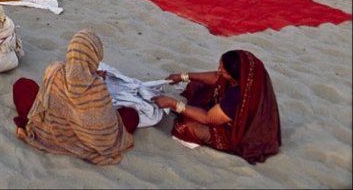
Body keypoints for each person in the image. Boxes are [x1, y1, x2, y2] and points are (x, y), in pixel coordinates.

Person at [15, 29, 138, 165]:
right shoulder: (97, 87)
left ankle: (26, 126)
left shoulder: (54, 69)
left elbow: (44, 98)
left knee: (22, 85)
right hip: (81, 138)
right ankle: (73, 141)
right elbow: (105, 132)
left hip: (50, 129)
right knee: (131, 115)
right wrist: (95, 79)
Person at [151, 50, 281, 164]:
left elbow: (208, 118)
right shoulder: (248, 72)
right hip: (225, 110)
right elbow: (216, 77)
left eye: (223, 70)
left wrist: (172, 103)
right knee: (196, 85)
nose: (219, 70)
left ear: (234, 76)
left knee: (187, 126)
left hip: (235, 131)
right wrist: (183, 76)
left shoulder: (237, 97)